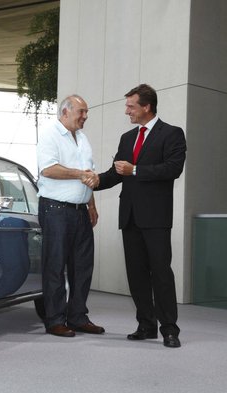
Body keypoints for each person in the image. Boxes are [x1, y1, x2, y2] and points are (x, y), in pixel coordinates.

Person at [93, 84, 186, 348]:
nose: (127, 111)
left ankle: (170, 330)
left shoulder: (172, 133)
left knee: (161, 274)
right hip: (130, 217)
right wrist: (93, 180)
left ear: (147, 107)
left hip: (156, 218)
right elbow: (116, 173)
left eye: (131, 106)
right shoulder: (127, 138)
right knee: (136, 275)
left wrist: (135, 170)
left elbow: (173, 169)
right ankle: (146, 325)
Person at [37, 94, 104, 337]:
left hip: (80, 211)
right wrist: (79, 174)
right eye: (81, 112)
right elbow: (48, 169)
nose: (85, 116)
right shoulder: (49, 134)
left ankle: (77, 317)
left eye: (86, 112)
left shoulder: (82, 138)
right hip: (55, 210)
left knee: (83, 267)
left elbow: (90, 173)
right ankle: (55, 320)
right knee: (55, 266)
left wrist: (91, 204)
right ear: (65, 112)